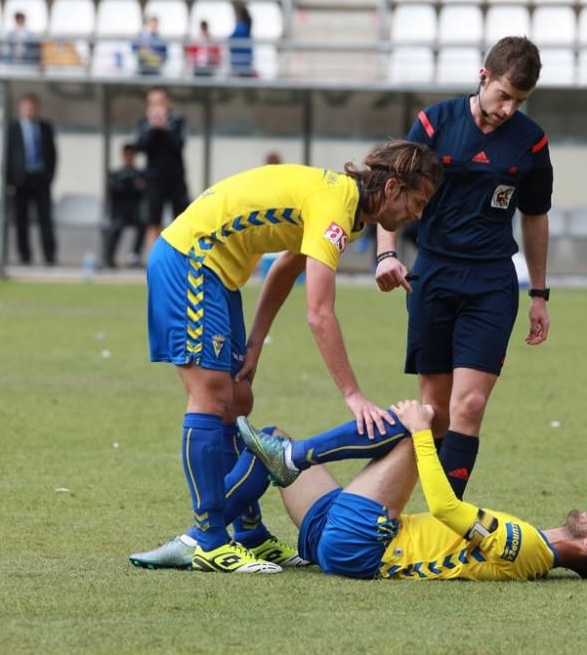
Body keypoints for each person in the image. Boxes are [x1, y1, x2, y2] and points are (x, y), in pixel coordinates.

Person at [129, 141, 443, 573]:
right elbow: (318, 312)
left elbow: (284, 268)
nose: (418, 215)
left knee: (238, 399)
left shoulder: (347, 212)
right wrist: (353, 395)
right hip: (191, 259)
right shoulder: (336, 206)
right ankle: (207, 539)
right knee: (212, 395)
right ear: (391, 188)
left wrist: (255, 341)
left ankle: (248, 535)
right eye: (417, 201)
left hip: (218, 273)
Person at [374, 37, 553, 501]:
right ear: (484, 77)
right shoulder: (435, 124)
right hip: (432, 275)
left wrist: (539, 293)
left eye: (519, 101)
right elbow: (389, 188)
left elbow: (535, 216)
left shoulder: (531, 142)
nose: (509, 108)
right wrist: (386, 253)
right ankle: (397, 505)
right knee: (434, 410)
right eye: (503, 95)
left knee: (469, 404)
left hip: (492, 280)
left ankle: (447, 519)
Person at [234, 400, 587, 581]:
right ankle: (250, 535)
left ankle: (211, 529)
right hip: (342, 544)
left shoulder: (525, 546)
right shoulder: (531, 550)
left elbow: (446, 507)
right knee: (273, 440)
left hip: (364, 543)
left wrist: (422, 433)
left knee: (411, 426)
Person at [133, 86, 190, 251]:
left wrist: (164, 128)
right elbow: (140, 146)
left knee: (180, 220)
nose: (156, 106)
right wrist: (153, 129)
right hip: (153, 180)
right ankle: (153, 262)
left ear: (167, 103)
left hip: (175, 179)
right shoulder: (144, 123)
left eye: (160, 102)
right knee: (153, 222)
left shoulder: (178, 121)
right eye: (152, 103)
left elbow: (179, 144)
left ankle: (179, 259)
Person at [5, 93, 57, 266]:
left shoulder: (45, 127)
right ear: (20, 108)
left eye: (32, 107)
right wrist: (9, 181)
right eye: (26, 107)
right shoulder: (12, 128)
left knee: (45, 220)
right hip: (21, 181)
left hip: (41, 180)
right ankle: (25, 256)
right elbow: (8, 156)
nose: (29, 110)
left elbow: (52, 155)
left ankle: (49, 256)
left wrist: (49, 177)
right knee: (22, 220)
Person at [104, 144, 146, 269]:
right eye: (127, 155)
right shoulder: (117, 174)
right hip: (119, 211)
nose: (129, 158)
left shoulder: (140, 174)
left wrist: (139, 186)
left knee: (142, 226)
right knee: (116, 227)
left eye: (131, 155)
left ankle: (134, 256)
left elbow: (144, 193)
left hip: (134, 210)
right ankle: (109, 258)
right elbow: (112, 192)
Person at [229, 1, 254, 77]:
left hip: (241, 61)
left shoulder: (242, 27)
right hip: (244, 61)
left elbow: (233, 39)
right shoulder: (246, 27)